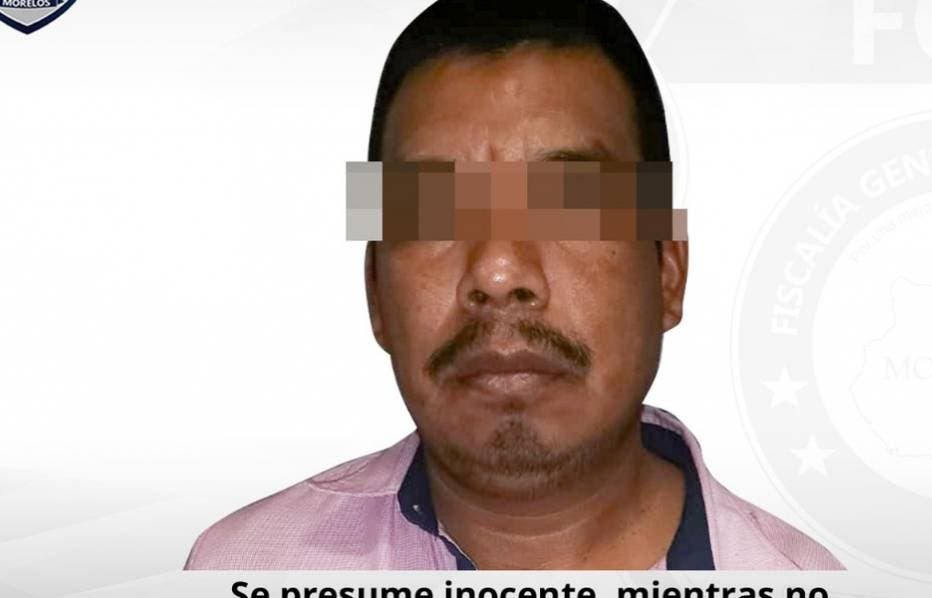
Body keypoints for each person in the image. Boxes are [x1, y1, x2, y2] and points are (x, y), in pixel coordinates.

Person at [185, 0, 843, 571]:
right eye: (434, 210)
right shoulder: (238, 569)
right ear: (375, 289)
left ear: (668, 270)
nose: (498, 271)